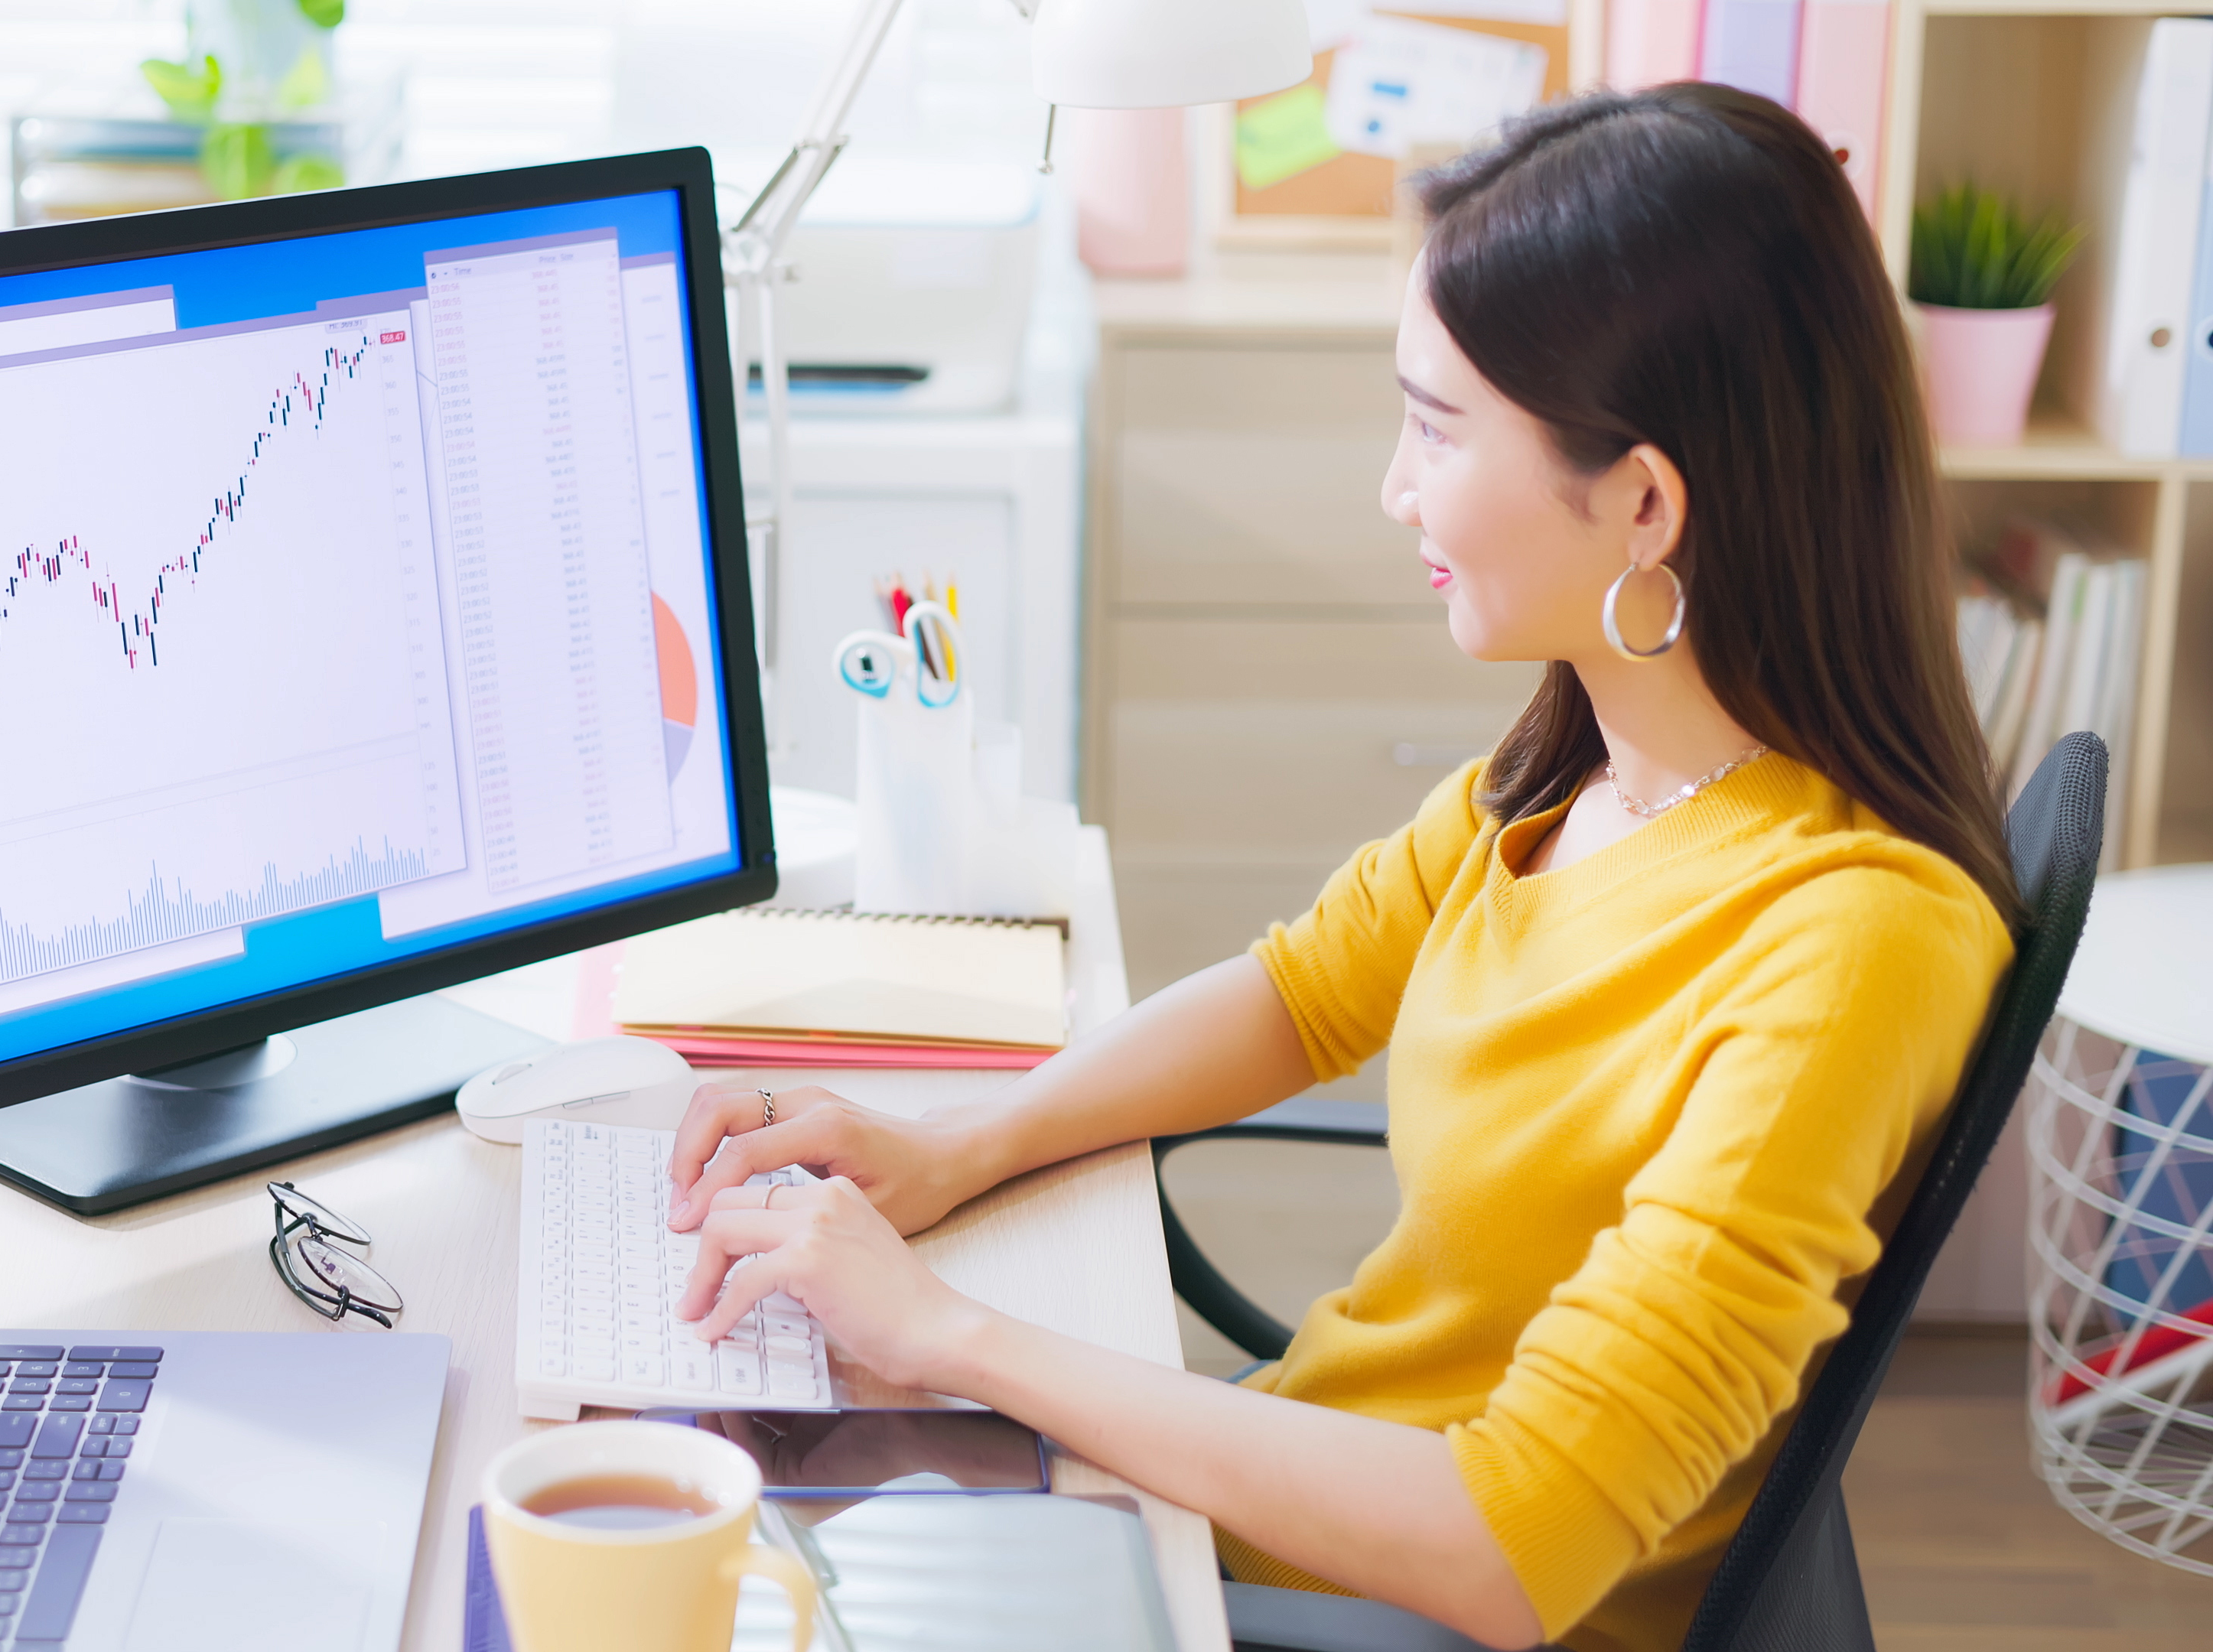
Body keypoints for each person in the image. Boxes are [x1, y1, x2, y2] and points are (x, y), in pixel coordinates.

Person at [663, 83, 2017, 1652]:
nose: (1394, 488)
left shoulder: (1849, 948)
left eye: (1435, 428)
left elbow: (1508, 1544)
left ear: (1644, 502)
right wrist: (953, 1147)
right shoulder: (1592, 762)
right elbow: (1304, 993)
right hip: (1276, 1496)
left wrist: (948, 1337)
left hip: (1369, 1607)